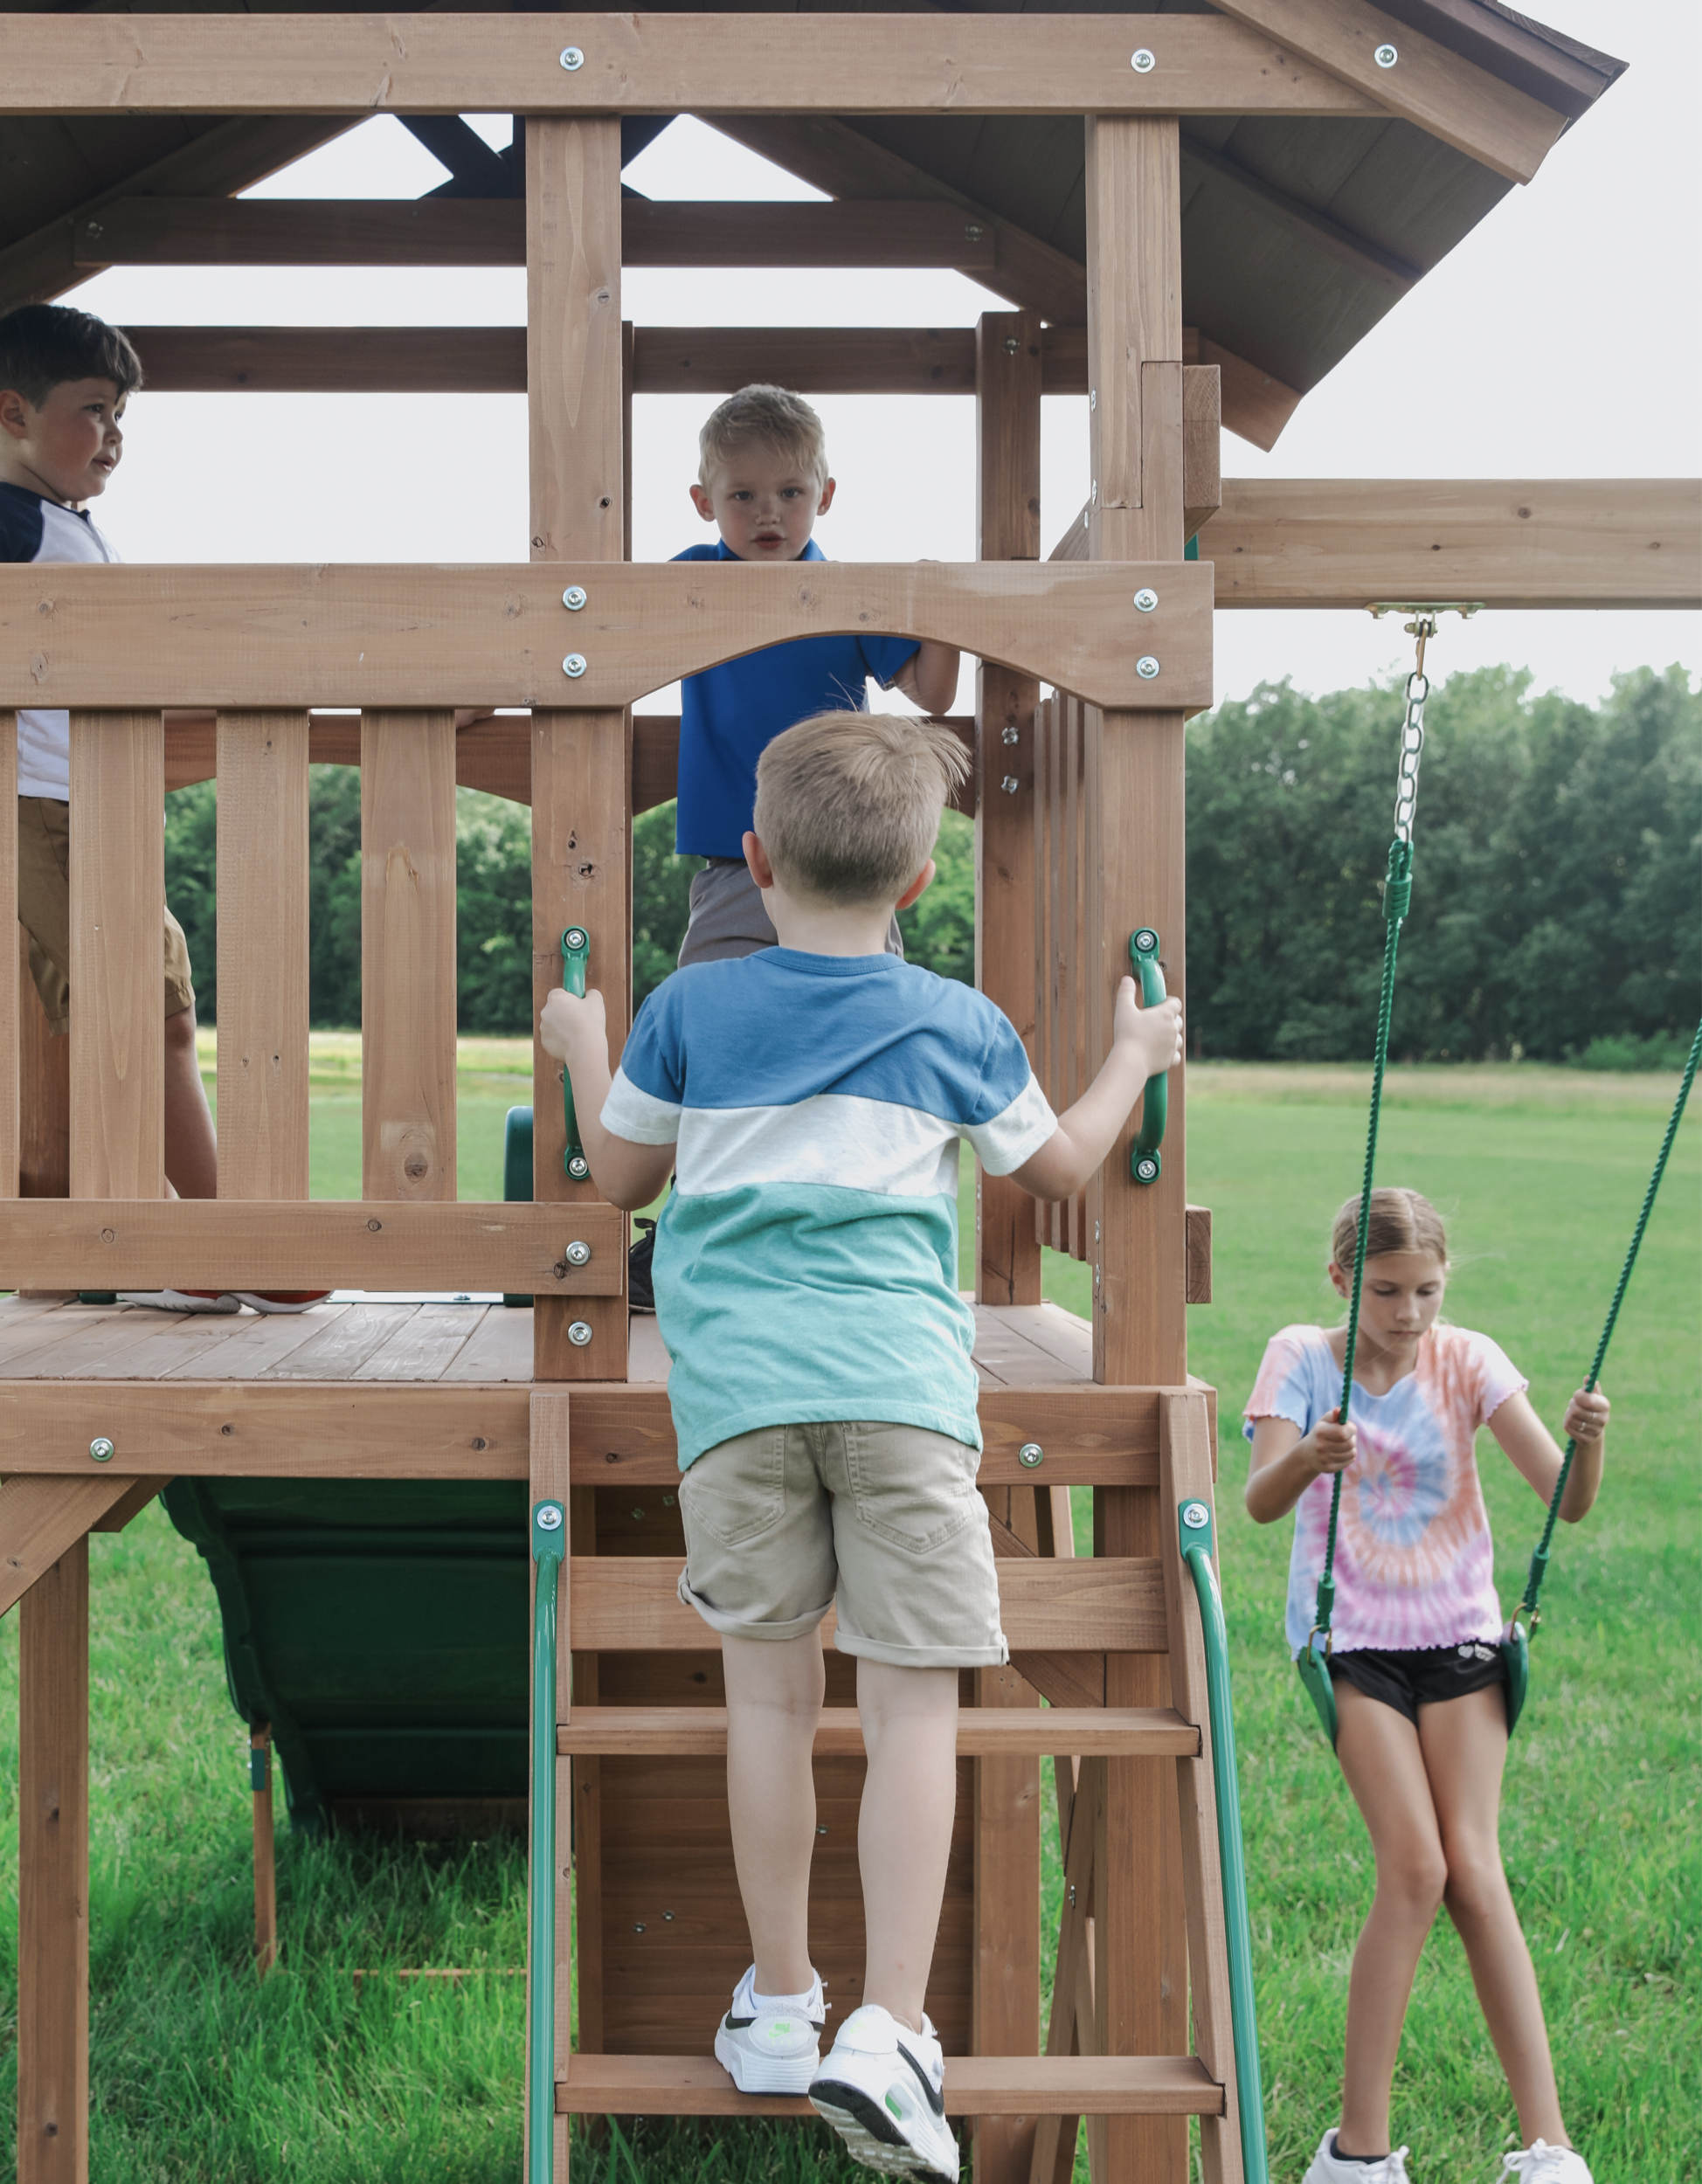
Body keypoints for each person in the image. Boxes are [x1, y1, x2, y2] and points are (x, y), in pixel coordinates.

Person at [539, 709, 1184, 2183]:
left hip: (737, 1405)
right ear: (918, 885)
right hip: (900, 1396)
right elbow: (1063, 1166)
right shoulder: (957, 1022)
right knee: (911, 1712)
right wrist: (1136, 1052)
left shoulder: (692, 1013)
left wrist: (584, 1042)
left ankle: (778, 1999)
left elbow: (623, 1177)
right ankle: (890, 2027)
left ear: (753, 860)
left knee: (764, 1705)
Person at [0, 304, 321, 1317]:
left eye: (120, 414)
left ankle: (151, 1235)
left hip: (89, 809)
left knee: (149, 1015)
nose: (113, 433)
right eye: (93, 409)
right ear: (12, 413)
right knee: (144, 1016)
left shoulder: (70, 528)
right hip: (37, 803)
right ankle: (222, 1235)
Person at [1243, 1187, 1609, 2184]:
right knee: (1414, 1870)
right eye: (1387, 1290)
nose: (1408, 1313)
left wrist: (1589, 1442)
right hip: (1352, 1642)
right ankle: (1355, 2155)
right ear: (1341, 1279)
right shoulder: (1300, 1357)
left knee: (1476, 1872)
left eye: (1427, 1291)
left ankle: (1546, 2147)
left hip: (1458, 1639)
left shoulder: (1470, 1358)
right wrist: (1313, 1456)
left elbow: (1564, 1504)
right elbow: (1258, 1500)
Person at [671, 384, 959, 969]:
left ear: (824, 496)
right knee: (710, 1008)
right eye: (744, 494)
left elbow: (933, 694)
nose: (768, 512)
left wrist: (940, 611)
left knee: (866, 1004)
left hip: (845, 854)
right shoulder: (690, 583)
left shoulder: (847, 592)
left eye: (790, 492)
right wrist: (492, 688)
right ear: (705, 502)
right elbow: (591, 635)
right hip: (738, 860)